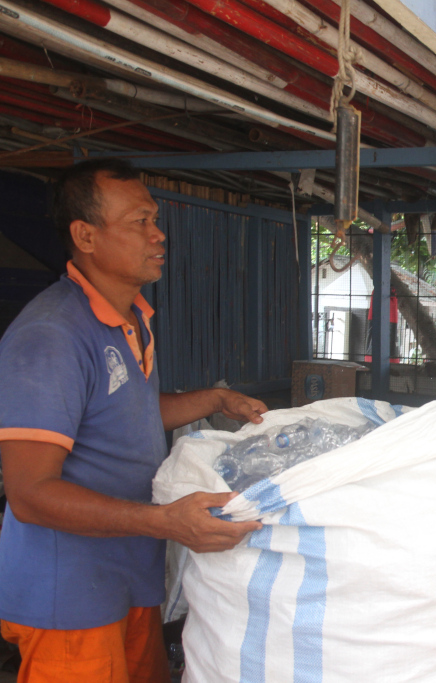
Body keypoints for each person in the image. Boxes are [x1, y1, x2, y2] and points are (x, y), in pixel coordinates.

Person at [0, 159, 267, 683]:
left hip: (128, 577)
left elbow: (127, 415)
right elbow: (29, 494)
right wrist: (165, 522)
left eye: (155, 219)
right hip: (69, 599)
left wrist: (215, 398)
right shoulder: (52, 335)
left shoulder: (132, 319)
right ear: (86, 236)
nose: (157, 234)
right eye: (138, 222)